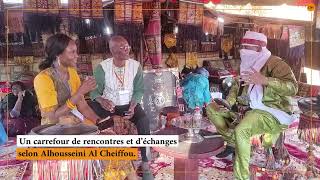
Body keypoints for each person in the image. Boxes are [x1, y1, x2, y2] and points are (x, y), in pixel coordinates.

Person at [33, 34, 137, 180]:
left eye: (76, 51)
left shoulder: (72, 74)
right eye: (72, 52)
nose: (77, 55)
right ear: (58, 55)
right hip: (54, 132)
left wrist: (101, 123)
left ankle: (127, 177)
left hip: (76, 127)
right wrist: (80, 91)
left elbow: (83, 107)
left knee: (114, 141)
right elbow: (52, 117)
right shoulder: (43, 79)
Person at [206, 31, 298, 180]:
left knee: (242, 129)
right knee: (211, 109)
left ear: (260, 49)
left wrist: (265, 80)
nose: (244, 51)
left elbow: (293, 88)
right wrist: (227, 103)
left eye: (249, 47)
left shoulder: (275, 63)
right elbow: (236, 87)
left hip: (270, 111)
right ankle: (233, 142)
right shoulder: (246, 63)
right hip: (244, 110)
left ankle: (241, 176)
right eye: (243, 47)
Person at [89, 36, 151, 173]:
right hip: (108, 107)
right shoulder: (102, 68)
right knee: (104, 125)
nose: (127, 49)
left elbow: (139, 90)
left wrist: (133, 106)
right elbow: (93, 92)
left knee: (143, 121)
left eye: (127, 46)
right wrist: (102, 101)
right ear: (113, 51)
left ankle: (145, 159)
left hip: (129, 105)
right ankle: (111, 164)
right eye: (123, 47)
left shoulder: (136, 66)